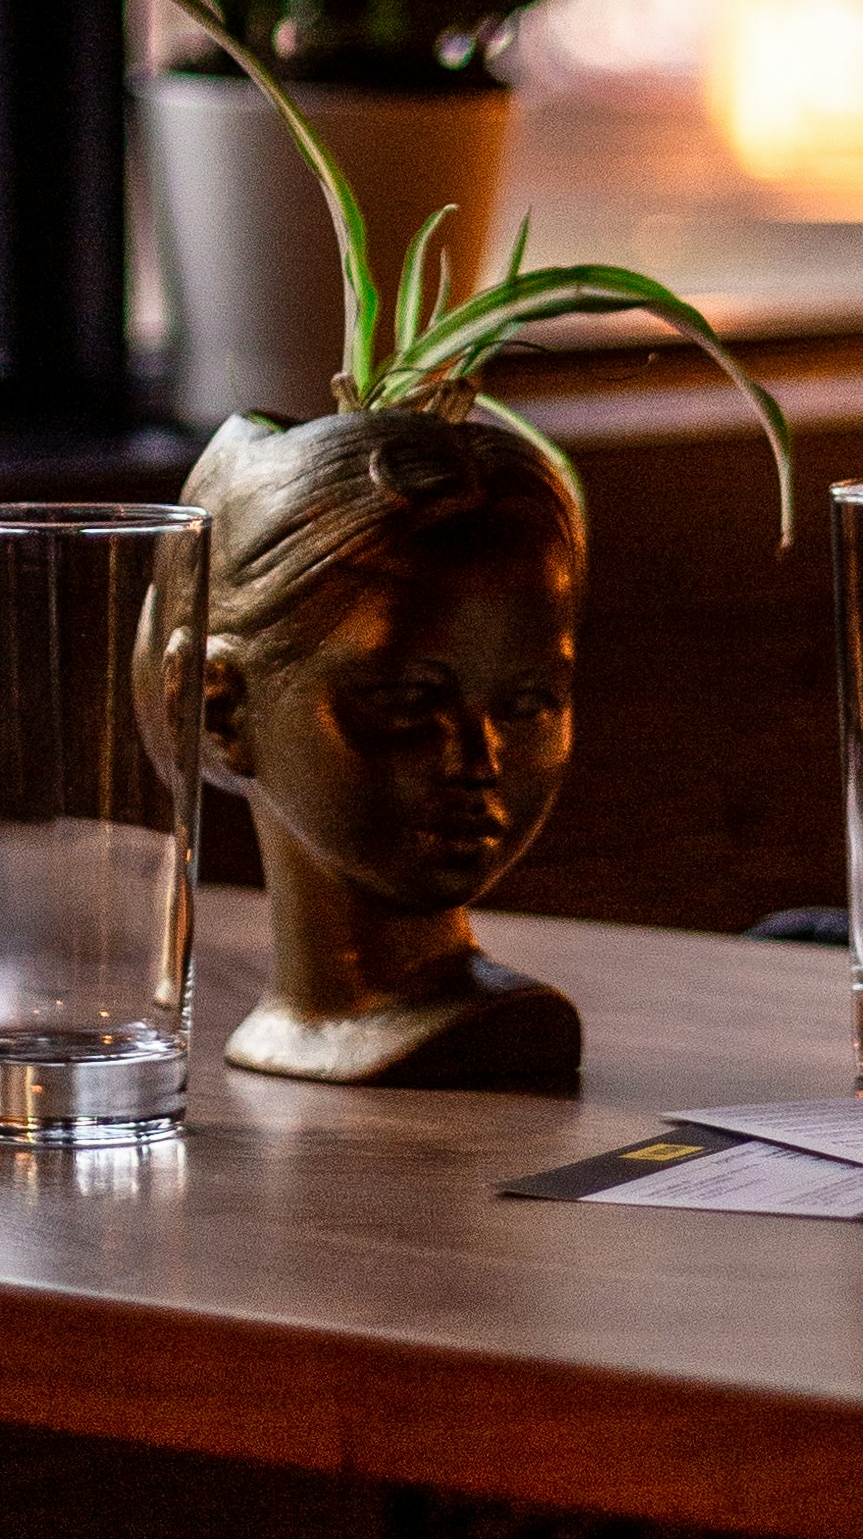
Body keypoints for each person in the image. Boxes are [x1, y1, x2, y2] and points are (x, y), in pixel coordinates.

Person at [178, 398, 585, 1087]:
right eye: (407, 701)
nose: (477, 762)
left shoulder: (502, 1033)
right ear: (221, 709)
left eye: (524, 704)